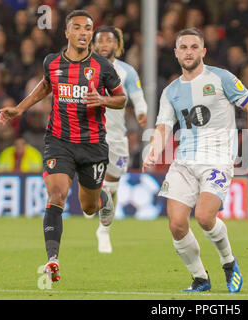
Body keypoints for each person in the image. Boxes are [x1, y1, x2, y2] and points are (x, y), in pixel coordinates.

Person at [0, 10, 126, 283]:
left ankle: (102, 198)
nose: (83, 33)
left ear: (92, 34)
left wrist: (102, 101)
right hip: (59, 141)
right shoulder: (52, 62)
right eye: (77, 28)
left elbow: (121, 99)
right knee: (56, 195)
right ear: (66, 33)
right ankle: (52, 259)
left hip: (92, 145)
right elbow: (46, 86)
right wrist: (19, 109)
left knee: (89, 208)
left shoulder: (102, 66)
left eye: (88, 29)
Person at [143, 28, 248, 293]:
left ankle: (228, 261)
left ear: (203, 51)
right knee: (176, 223)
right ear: (176, 53)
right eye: (183, 47)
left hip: (217, 159)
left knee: (204, 216)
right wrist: (152, 151)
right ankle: (200, 278)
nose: (189, 52)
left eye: (194, 47)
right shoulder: (170, 91)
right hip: (184, 162)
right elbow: (163, 126)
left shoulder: (222, 78)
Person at [92, 25, 148, 253]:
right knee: (95, 181)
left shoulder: (126, 71)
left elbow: (138, 96)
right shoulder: (86, 68)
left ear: (117, 44)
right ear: (94, 44)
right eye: (100, 41)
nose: (104, 45)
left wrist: (142, 112)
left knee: (111, 188)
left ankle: (103, 229)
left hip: (117, 137)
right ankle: (93, 207)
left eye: (109, 41)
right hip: (90, 133)